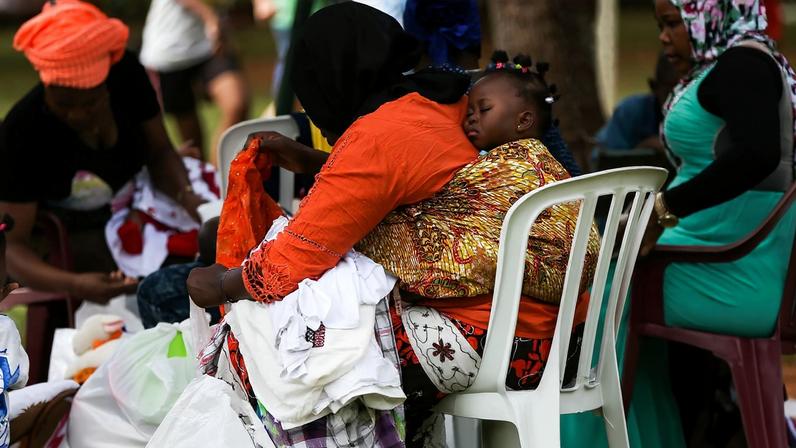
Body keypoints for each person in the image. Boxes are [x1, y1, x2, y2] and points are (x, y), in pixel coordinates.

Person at [187, 4, 592, 446]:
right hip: (570, 332)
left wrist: (223, 285)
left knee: (278, 351)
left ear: (330, 79)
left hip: (501, 342)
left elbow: (297, 256)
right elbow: (408, 182)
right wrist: (315, 161)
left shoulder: (378, 135)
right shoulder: (452, 97)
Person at [564, 0, 796, 446]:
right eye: (659, 25)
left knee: (596, 292)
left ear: (709, 13)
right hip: (718, 247)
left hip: (730, 263)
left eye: (672, 23)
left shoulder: (743, 64)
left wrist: (662, 210)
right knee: (604, 273)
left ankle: (593, 437)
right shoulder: (736, 63)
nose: (664, 37)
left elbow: (758, 154)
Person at [0, 0, 207, 304]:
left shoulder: (127, 75)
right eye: (63, 104)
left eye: (90, 103)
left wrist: (189, 198)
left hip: (142, 211)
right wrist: (76, 284)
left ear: (107, 86)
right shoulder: (21, 132)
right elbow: (12, 246)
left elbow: (160, 151)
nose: (77, 115)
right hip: (71, 239)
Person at [140, 0, 249, 163]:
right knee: (193, 143)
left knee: (237, 103)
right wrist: (209, 16)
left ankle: (217, 175)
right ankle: (206, 180)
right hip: (168, 55)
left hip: (209, 48)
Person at [594, 52, 679, 154]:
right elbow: (603, 158)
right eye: (670, 94)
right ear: (654, 87)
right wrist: (641, 150)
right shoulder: (630, 113)